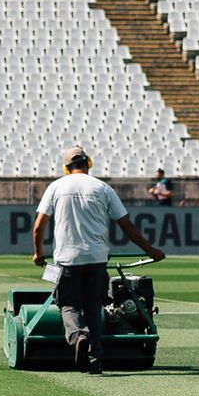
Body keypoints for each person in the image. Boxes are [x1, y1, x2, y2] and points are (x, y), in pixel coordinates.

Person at [30, 145, 164, 374]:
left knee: (68, 305)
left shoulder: (56, 187)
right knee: (94, 308)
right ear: (88, 163)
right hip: (97, 259)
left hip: (68, 259)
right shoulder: (103, 188)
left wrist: (38, 252)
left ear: (66, 167)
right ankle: (95, 362)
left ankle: (78, 336)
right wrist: (150, 249)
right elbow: (126, 225)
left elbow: (38, 226)